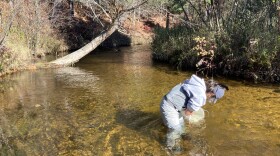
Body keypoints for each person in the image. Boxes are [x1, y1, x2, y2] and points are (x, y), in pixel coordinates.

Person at [160, 74, 229, 151]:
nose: (210, 99)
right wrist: (190, 122)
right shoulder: (201, 96)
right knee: (176, 131)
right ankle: (171, 149)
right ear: (212, 93)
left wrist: (190, 112)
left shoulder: (199, 84)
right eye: (212, 98)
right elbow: (187, 113)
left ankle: (166, 127)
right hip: (170, 107)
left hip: (168, 100)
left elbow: (188, 103)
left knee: (181, 128)